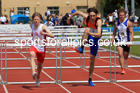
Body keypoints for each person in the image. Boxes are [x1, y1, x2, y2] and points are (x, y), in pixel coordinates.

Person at [67, 7, 102, 86]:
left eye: (93, 16)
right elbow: (77, 12)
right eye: (91, 16)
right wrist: (69, 17)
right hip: (89, 36)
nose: (92, 17)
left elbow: (99, 34)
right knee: (87, 29)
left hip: (95, 38)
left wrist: (91, 34)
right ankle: (81, 48)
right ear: (88, 15)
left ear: (96, 15)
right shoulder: (87, 17)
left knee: (91, 61)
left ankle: (90, 79)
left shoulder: (98, 21)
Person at [29, 12, 54, 86]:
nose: (36, 20)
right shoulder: (32, 25)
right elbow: (33, 33)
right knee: (32, 55)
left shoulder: (43, 27)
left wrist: (45, 33)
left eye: (37, 19)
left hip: (41, 48)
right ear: (33, 19)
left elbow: (52, 35)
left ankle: (38, 77)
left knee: (39, 65)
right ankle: (33, 72)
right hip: (34, 45)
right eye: (34, 19)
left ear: (40, 20)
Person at [111, 7, 134, 74]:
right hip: (119, 40)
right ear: (118, 15)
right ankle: (122, 69)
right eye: (120, 15)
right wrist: (113, 38)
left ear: (125, 15)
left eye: (123, 15)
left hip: (126, 40)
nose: (121, 16)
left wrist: (130, 41)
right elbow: (114, 31)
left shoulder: (128, 23)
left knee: (125, 56)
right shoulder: (116, 23)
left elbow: (132, 32)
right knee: (120, 54)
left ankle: (124, 59)